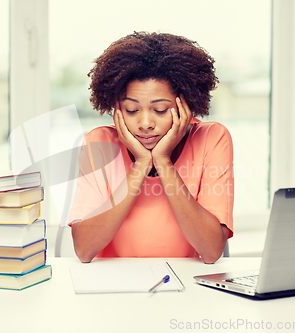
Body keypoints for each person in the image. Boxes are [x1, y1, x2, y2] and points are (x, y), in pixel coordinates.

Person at [68, 31, 234, 264]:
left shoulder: (211, 138)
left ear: (186, 104)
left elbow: (211, 250)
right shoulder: (99, 144)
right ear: (117, 108)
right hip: (114, 288)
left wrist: (164, 162)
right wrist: (142, 165)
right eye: (132, 110)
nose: (145, 124)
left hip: (188, 289)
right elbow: (84, 250)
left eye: (160, 110)